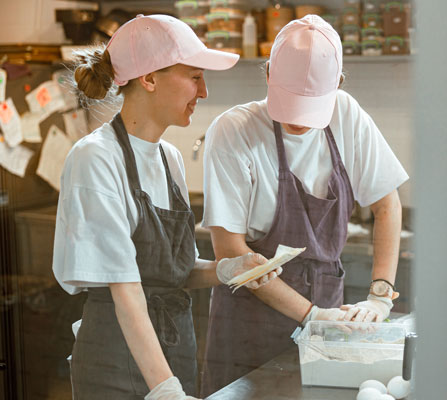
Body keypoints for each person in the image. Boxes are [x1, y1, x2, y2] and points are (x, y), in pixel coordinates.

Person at [52, 14, 281, 399]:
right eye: (194, 76)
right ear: (150, 79)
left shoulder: (169, 158)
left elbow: (173, 272)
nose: (204, 91)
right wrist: (165, 389)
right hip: (115, 362)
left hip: (172, 355)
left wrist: (225, 270)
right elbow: (126, 291)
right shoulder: (96, 159)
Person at [200, 14, 409, 395]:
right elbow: (229, 250)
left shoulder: (346, 115)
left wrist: (380, 295)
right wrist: (312, 315)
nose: (297, 121)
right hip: (250, 328)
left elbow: (387, 204)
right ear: (267, 75)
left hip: (328, 329)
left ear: (338, 86)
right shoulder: (235, 130)